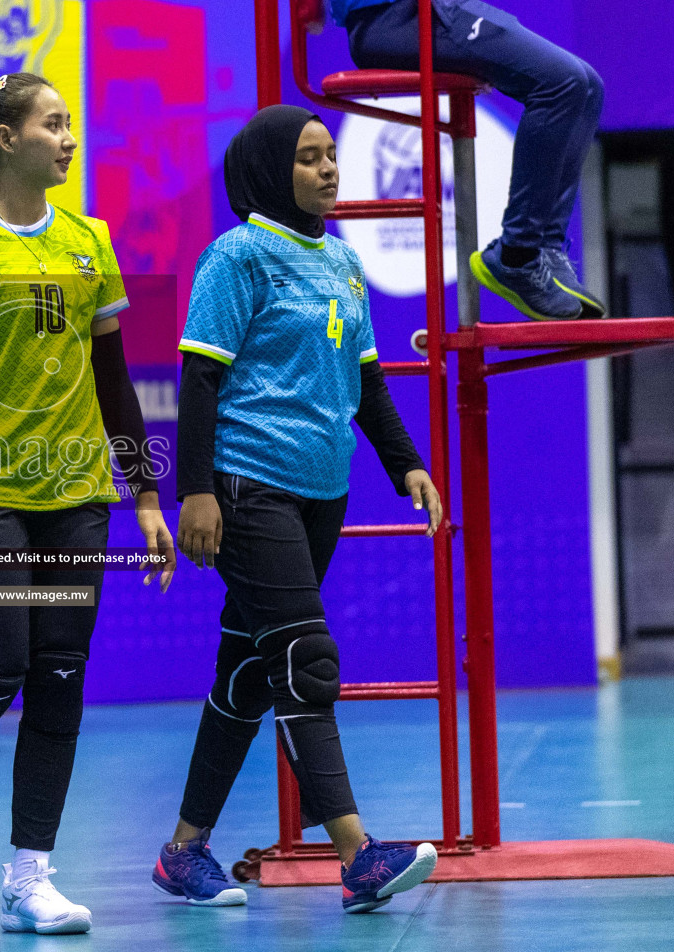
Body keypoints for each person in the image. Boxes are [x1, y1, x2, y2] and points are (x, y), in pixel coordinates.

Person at [0, 71, 175, 935]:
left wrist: (147, 495)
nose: (69, 138)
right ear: (5, 138)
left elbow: (114, 381)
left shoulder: (89, 242)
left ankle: (29, 874)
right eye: (53, 124)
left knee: (58, 673)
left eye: (71, 125)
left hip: (78, 497)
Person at [152, 106, 444, 914]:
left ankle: (183, 852)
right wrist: (197, 492)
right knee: (306, 659)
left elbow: (369, 382)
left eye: (329, 156)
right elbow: (201, 380)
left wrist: (408, 466)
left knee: (247, 675)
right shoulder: (238, 255)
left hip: (323, 494)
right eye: (308, 158)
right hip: (249, 488)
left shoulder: (344, 263)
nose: (328, 169)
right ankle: (357, 855)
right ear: (270, 170)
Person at [327, 0, 606, 321]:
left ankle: (542, 248)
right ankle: (518, 255)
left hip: (427, 1)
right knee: (563, 82)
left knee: (587, 86)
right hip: (400, 11)